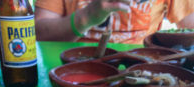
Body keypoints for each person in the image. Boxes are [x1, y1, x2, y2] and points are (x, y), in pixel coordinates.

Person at [35, 0, 194, 44]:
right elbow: (37, 32)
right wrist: (87, 16)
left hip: (141, 68)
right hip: (67, 66)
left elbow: (190, 26)